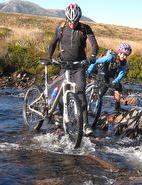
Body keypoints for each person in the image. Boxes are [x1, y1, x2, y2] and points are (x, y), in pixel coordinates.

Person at [47, 3, 98, 135]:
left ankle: (85, 124)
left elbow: (94, 45)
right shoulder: (61, 28)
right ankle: (60, 116)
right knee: (61, 91)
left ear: (79, 19)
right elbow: (52, 43)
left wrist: (92, 56)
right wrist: (49, 57)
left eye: (75, 21)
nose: (72, 24)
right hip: (64, 65)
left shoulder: (85, 28)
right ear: (66, 18)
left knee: (80, 91)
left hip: (79, 66)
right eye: (70, 21)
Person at [86, 43, 132, 126]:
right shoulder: (110, 57)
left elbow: (122, 73)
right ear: (119, 52)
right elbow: (96, 62)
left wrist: (116, 81)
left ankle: (117, 107)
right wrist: (89, 71)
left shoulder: (124, 63)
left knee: (118, 86)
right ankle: (90, 104)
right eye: (123, 54)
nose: (124, 56)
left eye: (126, 55)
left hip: (110, 77)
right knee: (100, 93)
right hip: (102, 74)